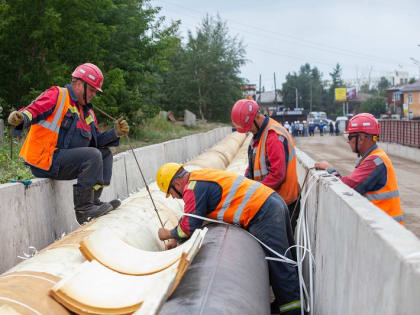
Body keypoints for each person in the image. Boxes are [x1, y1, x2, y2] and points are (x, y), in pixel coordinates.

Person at [155, 163, 301, 315]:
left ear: (177, 184)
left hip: (261, 212)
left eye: (171, 193)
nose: (173, 197)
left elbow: (188, 227)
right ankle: (286, 304)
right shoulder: (200, 178)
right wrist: (177, 237)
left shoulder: (191, 189)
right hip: (271, 201)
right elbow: (194, 216)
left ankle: (294, 311)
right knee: (287, 260)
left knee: (279, 266)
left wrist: (168, 234)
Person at [7, 63, 129, 225]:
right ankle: (84, 210)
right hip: (45, 160)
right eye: (92, 90)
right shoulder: (58, 95)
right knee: (93, 155)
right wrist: (22, 117)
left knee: (104, 154)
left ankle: (93, 202)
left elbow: (96, 141)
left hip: (61, 161)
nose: (93, 94)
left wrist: (116, 133)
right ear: (79, 84)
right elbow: (35, 109)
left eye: (95, 91)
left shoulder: (87, 112)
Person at [314, 113, 404, 224]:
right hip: (384, 226)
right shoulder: (376, 157)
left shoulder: (374, 161)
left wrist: (329, 169)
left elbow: (347, 188)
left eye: (350, 137)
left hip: (386, 229)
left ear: (361, 138)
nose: (348, 141)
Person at [230, 99, 300, 228]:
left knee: (279, 245)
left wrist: (253, 192)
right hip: (269, 198)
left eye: (249, 126)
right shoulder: (258, 136)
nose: (248, 130)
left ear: (257, 116)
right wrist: (243, 186)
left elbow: (277, 175)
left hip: (283, 202)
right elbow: (252, 168)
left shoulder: (273, 136)